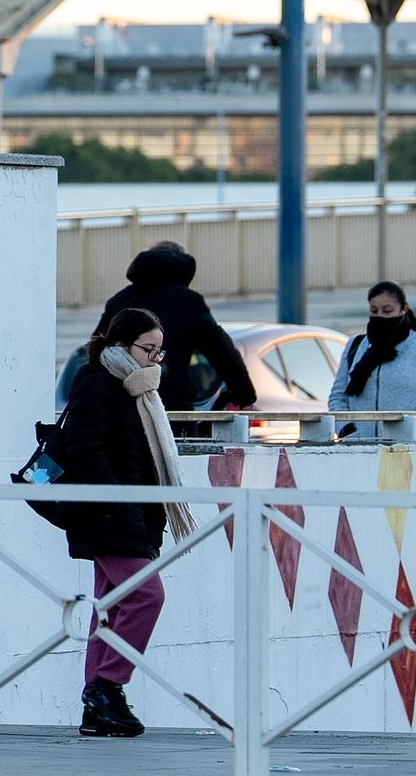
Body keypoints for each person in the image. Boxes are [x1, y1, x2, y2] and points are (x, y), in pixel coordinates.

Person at [62, 307, 196, 738]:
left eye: (159, 351)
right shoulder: (96, 381)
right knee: (146, 597)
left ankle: (95, 707)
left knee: (111, 607)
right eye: (147, 349)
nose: (154, 359)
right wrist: (120, 505)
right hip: (110, 514)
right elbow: (87, 449)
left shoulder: (139, 389)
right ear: (120, 343)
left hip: (132, 513)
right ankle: (108, 686)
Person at [92, 241, 256, 411]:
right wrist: (245, 395)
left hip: (120, 403)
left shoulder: (119, 300)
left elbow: (96, 349)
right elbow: (223, 353)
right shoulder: (189, 302)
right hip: (172, 405)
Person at [327, 280, 416, 436]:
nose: (380, 316)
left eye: (387, 311)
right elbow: (338, 397)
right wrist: (347, 431)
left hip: (406, 450)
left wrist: (409, 433)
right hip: (358, 448)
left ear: (403, 310)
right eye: (374, 311)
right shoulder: (355, 345)